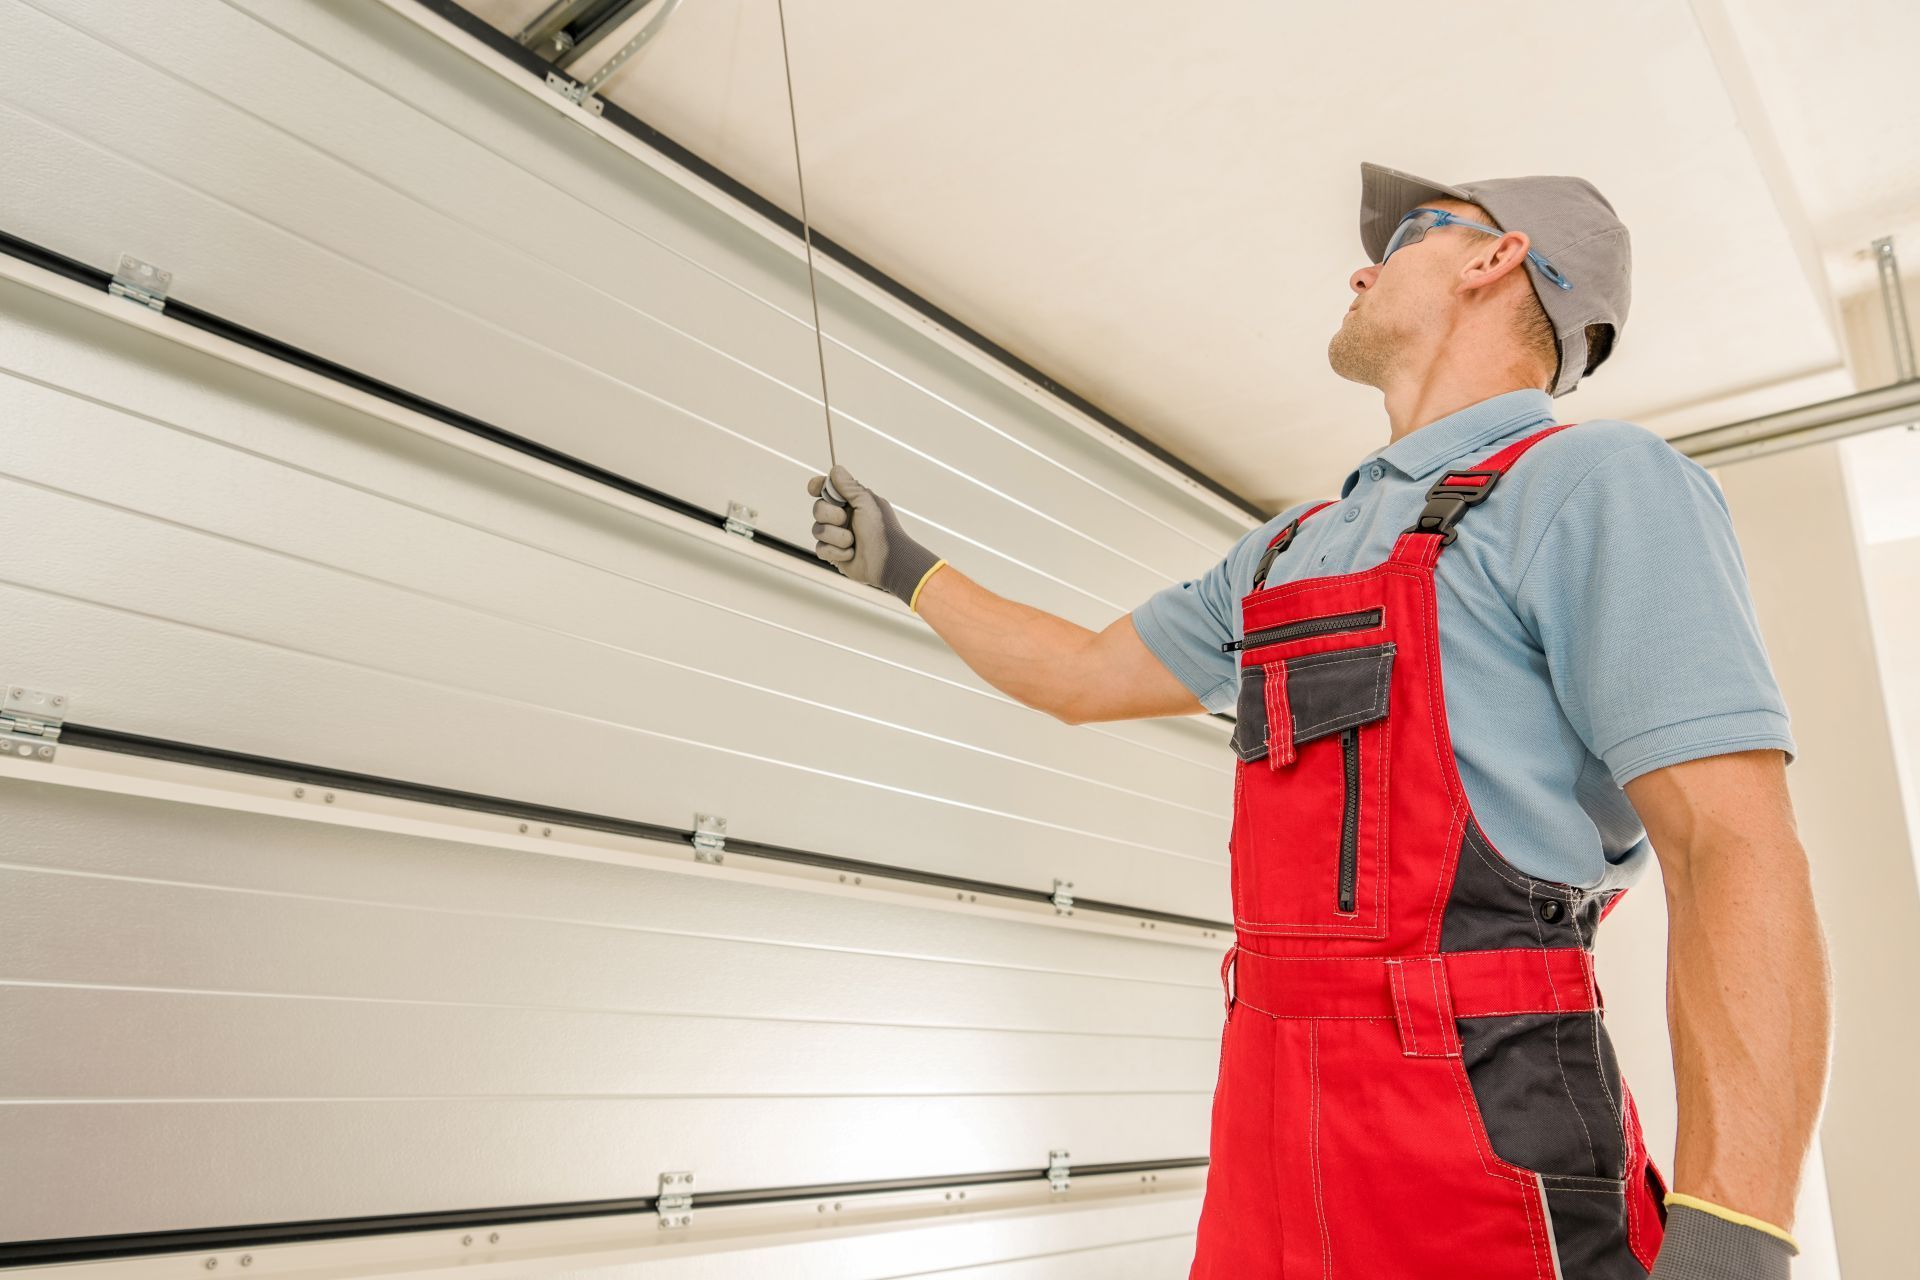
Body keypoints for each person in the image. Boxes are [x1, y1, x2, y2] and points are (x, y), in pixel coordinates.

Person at [805, 161, 1831, 1280]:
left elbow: (1729, 844)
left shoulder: (1594, 481)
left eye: (1408, 237)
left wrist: (1739, 1228)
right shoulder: (1292, 544)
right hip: (1265, 1111)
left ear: (1496, 257)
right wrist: (906, 569)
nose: (1361, 264)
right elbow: (1083, 675)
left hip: (1479, 1110)